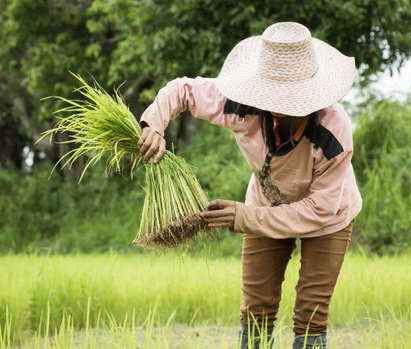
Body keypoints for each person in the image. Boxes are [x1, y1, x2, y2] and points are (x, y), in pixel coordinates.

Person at [137, 22, 362, 349]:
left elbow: (319, 210)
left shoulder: (332, 132)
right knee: (257, 308)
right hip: (266, 203)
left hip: (328, 217)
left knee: (312, 311)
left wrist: (242, 217)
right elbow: (183, 90)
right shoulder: (240, 105)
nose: (287, 105)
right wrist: (153, 123)